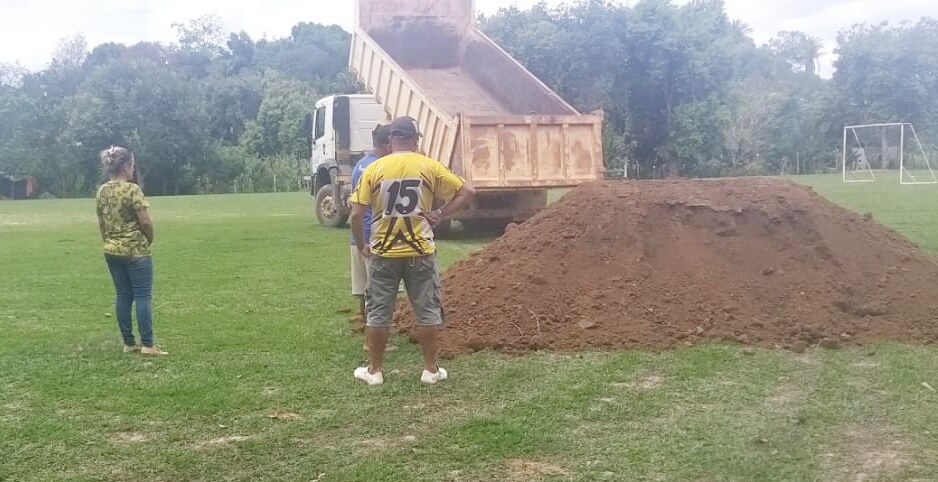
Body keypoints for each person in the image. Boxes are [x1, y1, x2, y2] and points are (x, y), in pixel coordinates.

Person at [349, 116, 476, 385]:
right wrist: (440, 213)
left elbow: (356, 215)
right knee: (427, 310)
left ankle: (375, 371)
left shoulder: (374, 169)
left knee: (379, 312)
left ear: (391, 140)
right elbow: (467, 191)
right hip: (420, 250)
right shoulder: (429, 166)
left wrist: (362, 244)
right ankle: (430, 369)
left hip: (383, 251)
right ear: (416, 139)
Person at [95, 146, 167, 356]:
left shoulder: (102, 191)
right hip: (136, 250)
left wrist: (109, 241)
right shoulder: (132, 190)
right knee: (143, 296)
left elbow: (101, 222)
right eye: (132, 165)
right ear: (127, 166)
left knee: (123, 296)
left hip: (111, 249)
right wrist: (149, 238)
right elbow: (145, 220)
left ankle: (129, 342)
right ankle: (148, 344)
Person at [350, 124, 392, 351]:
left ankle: (369, 333)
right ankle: (374, 341)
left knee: (364, 288)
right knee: (378, 290)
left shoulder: (361, 164)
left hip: (358, 236)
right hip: (372, 236)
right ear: (388, 144)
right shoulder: (379, 167)